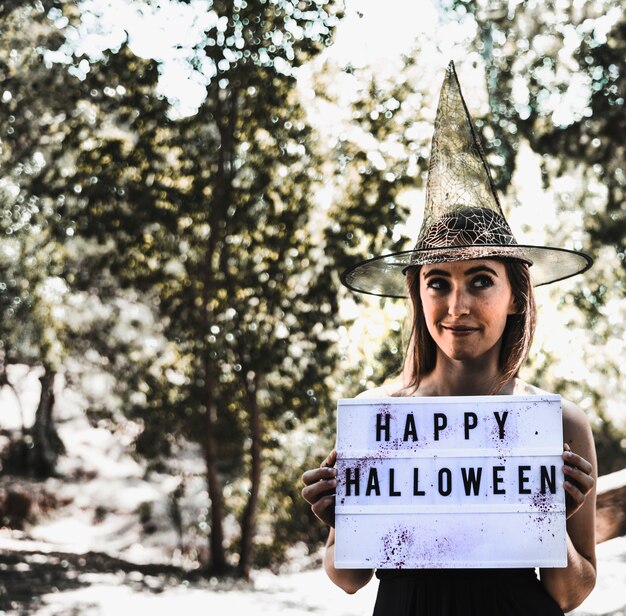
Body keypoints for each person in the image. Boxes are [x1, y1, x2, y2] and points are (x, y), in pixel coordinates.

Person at [301, 61, 597, 615]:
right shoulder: (377, 416)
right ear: (418, 295)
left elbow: (572, 593)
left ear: (516, 297)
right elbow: (348, 578)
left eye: (481, 280)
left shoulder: (558, 424)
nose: (457, 306)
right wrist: (345, 515)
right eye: (439, 282)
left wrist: (546, 517)